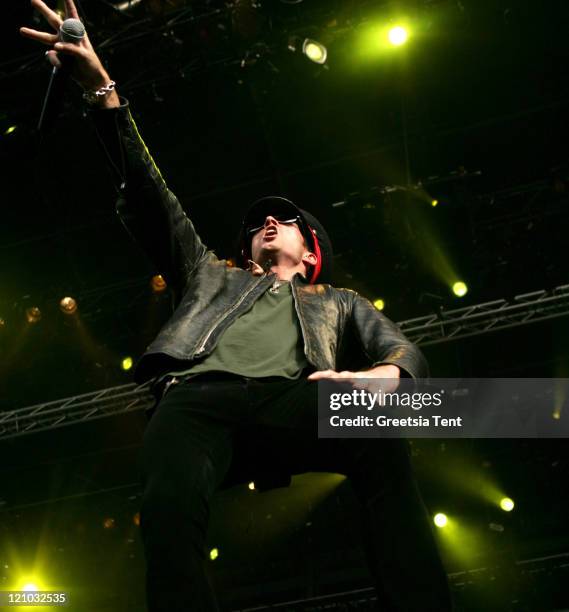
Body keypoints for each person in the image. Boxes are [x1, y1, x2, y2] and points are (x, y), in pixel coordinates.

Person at [21, 2, 453, 610]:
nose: (268, 222)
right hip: (200, 400)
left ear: (312, 257)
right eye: (258, 223)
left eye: (285, 221)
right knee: (168, 504)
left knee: (410, 421)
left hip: (294, 397)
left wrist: (383, 376)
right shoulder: (208, 274)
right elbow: (152, 198)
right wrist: (103, 92)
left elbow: (403, 349)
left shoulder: (338, 300)